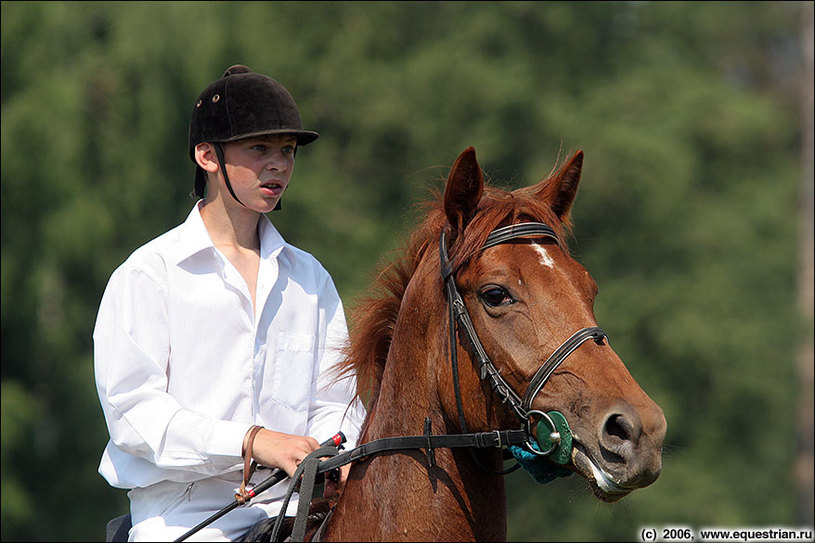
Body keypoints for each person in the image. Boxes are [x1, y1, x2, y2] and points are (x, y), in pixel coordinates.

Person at [93, 64, 365, 542]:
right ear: (207, 156)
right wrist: (253, 442)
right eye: (259, 148)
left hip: (297, 510)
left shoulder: (312, 279)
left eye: (287, 150)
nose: (279, 164)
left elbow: (337, 402)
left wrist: (327, 451)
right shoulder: (147, 274)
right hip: (184, 517)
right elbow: (135, 415)